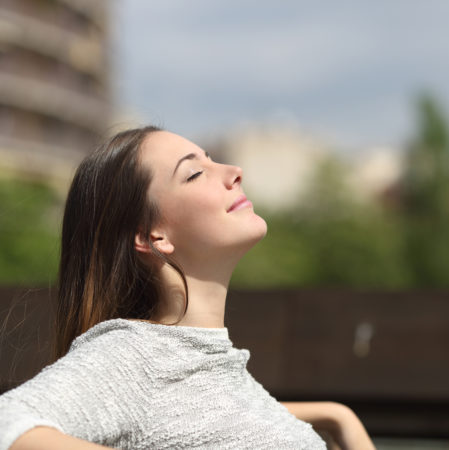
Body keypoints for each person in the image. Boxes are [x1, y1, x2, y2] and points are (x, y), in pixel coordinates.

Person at [0, 127, 375, 450]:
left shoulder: (216, 370)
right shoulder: (136, 354)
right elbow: (8, 424)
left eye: (213, 160)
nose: (234, 172)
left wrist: (337, 415)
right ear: (153, 237)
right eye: (195, 173)